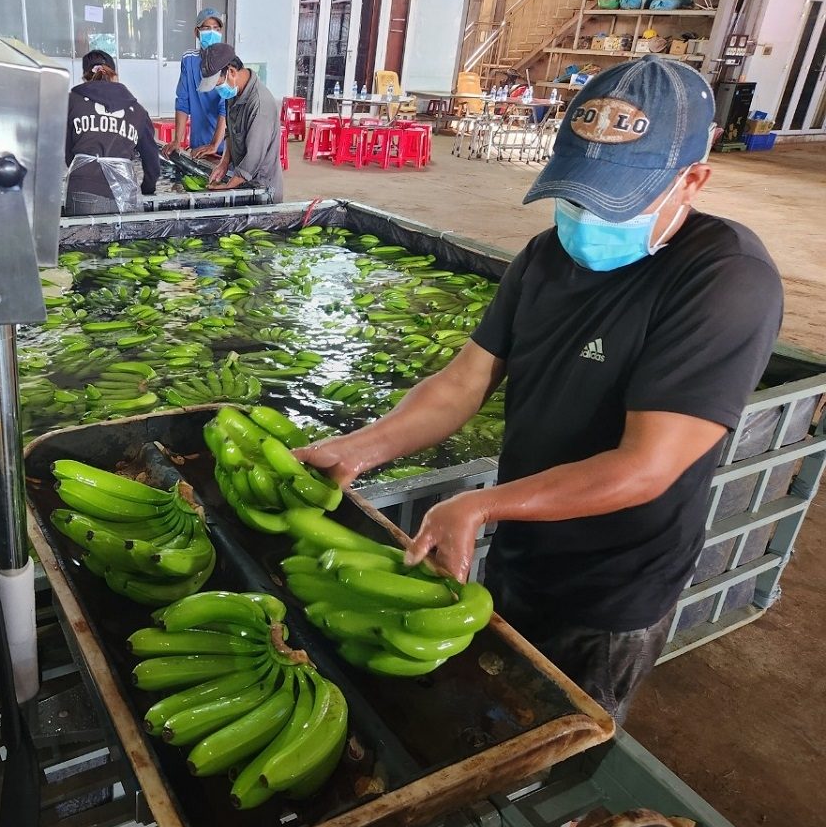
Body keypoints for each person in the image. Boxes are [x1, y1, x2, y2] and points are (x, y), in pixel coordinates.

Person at [297, 56, 783, 723]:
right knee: (487, 707)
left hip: (612, 590)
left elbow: (648, 465)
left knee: (562, 734)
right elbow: (464, 381)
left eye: (615, 201)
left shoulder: (726, 280)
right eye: (576, 193)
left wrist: (481, 504)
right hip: (521, 545)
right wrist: (360, 448)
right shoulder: (546, 257)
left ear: (692, 180)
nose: (585, 218)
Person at [65, 50, 160, 216]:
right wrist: (148, 188)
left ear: (85, 77)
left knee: (84, 240)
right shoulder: (138, 110)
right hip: (125, 192)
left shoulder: (71, 101)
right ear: (114, 75)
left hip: (84, 188)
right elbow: (151, 158)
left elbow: (67, 152)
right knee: (124, 242)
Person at [199, 44, 283, 203]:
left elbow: (253, 158)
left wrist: (227, 188)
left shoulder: (259, 104)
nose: (218, 90)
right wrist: (224, 163)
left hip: (262, 189)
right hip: (241, 179)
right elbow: (230, 132)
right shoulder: (233, 93)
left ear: (231, 72)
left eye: (217, 84)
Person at [163, 8, 228, 161]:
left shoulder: (228, 61)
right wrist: (177, 141)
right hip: (198, 143)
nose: (212, 32)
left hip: (224, 147)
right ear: (196, 32)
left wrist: (214, 145)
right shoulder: (189, 60)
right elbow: (183, 101)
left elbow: (225, 108)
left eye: (216, 29)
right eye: (206, 28)